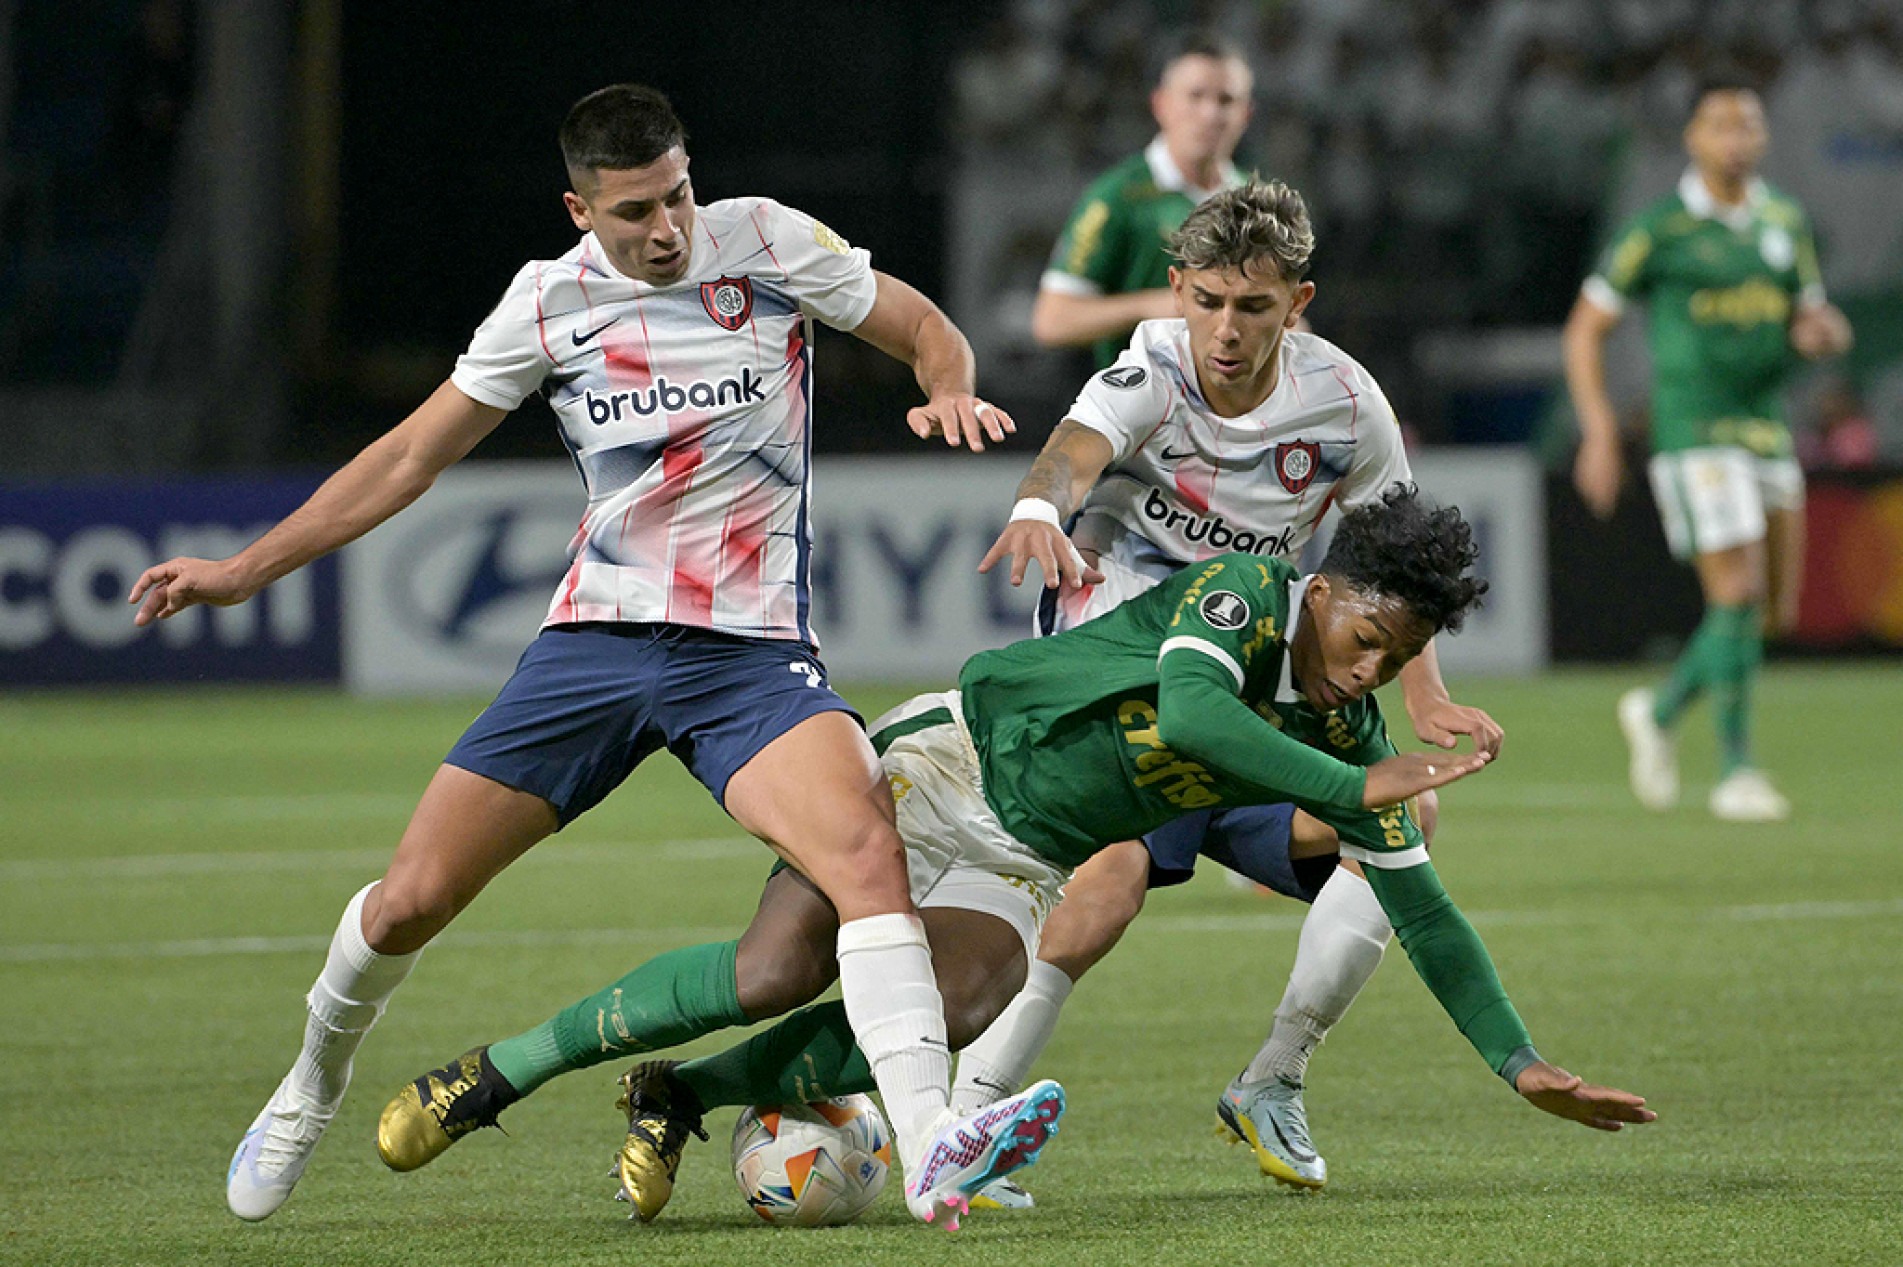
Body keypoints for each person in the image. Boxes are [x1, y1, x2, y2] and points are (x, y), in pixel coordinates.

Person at [126, 82, 1027, 1228]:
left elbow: (920, 327)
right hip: (591, 648)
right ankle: (311, 1084)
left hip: (746, 655)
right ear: (578, 209)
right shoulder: (546, 304)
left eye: (679, 194)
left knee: (863, 851)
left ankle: (929, 1137)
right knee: (409, 901)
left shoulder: (765, 240)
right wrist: (244, 569)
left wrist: (946, 386)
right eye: (637, 210)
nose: (668, 227)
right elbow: (409, 458)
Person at [369, 487, 1652, 1229]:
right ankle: (497, 1071)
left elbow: (1422, 906)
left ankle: (681, 1095)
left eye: (1398, 652)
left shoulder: (1345, 723)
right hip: (949, 764)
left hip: (1029, 850)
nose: (1368, 667)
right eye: (1367, 630)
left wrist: (1519, 1061)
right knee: (773, 969)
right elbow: (1201, 719)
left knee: (967, 994)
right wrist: (1358, 781)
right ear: (1327, 589)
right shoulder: (1247, 591)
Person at [964, 178, 1503, 1198]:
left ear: (1296, 304)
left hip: (1256, 674)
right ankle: (968, 1112)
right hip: (1128, 669)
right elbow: (1075, 450)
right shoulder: (1150, 369)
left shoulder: (1344, 403)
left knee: (1402, 814)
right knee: (1108, 879)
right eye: (1206, 300)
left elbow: (1399, 566)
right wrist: (1040, 503)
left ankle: (1273, 1078)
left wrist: (1423, 695)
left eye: (1252, 307)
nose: (1223, 328)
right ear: (1176, 291)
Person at [1565, 76, 1854, 823]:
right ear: (1691, 137)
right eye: (1720, 123)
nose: (1737, 137)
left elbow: (1809, 315)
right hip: (1693, 430)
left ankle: (1658, 713)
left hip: (1765, 427)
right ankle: (1736, 770)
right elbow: (1584, 328)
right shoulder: (1658, 229)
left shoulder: (1784, 220)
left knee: (1769, 615)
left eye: (1748, 124)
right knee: (1736, 592)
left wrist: (1822, 334)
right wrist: (1598, 429)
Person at [1031, 31, 1254, 367]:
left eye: (1225, 100)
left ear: (1246, 114)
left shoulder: (1259, 203)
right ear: (1160, 104)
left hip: (1234, 413)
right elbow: (1052, 320)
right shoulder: (1117, 197)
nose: (1210, 114)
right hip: (1140, 408)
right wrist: (1155, 307)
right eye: (1195, 96)